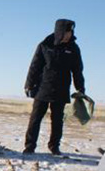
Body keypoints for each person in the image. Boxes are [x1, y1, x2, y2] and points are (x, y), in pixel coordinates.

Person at [23, 19, 85, 155]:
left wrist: (80, 88)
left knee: (57, 120)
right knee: (35, 118)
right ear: (60, 32)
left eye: (71, 32)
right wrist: (29, 84)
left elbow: (77, 70)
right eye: (67, 32)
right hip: (43, 88)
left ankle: (54, 146)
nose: (69, 35)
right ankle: (29, 146)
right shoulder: (45, 45)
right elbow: (35, 66)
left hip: (61, 89)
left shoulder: (73, 48)